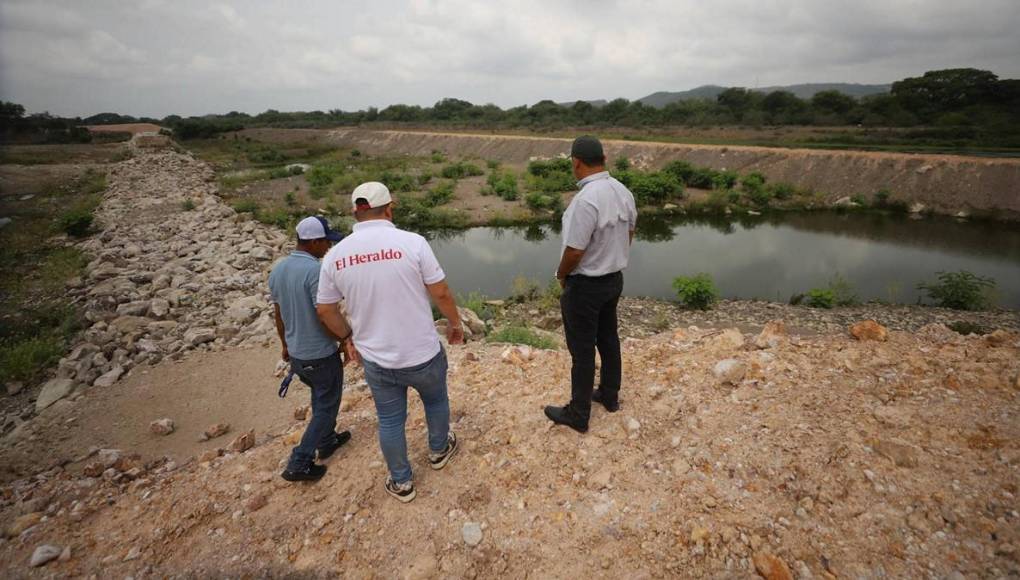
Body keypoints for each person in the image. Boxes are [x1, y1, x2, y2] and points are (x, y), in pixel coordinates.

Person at [315, 182, 463, 503]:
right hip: (423, 352)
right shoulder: (413, 243)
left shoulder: (335, 255)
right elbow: (440, 292)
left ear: (355, 211)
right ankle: (438, 451)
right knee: (436, 402)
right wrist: (454, 323)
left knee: (391, 419)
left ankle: (402, 482)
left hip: (378, 360)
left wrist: (347, 337)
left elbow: (325, 309)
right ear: (390, 207)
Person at [545, 136, 637, 433]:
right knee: (608, 338)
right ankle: (609, 395)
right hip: (613, 280)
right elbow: (630, 232)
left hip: (585, 286)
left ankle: (579, 413)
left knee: (582, 350)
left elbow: (574, 250)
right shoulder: (623, 191)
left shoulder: (585, 200)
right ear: (604, 159)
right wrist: (613, 257)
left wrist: (561, 275)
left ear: (576, 162)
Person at [269, 216, 354, 482]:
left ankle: (327, 440)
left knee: (321, 397)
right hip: (319, 354)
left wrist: (285, 345)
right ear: (314, 242)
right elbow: (324, 314)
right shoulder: (315, 272)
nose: (329, 246)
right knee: (326, 406)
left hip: (297, 355)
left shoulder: (278, 270)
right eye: (326, 241)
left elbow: (279, 313)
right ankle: (300, 461)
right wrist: (344, 338)